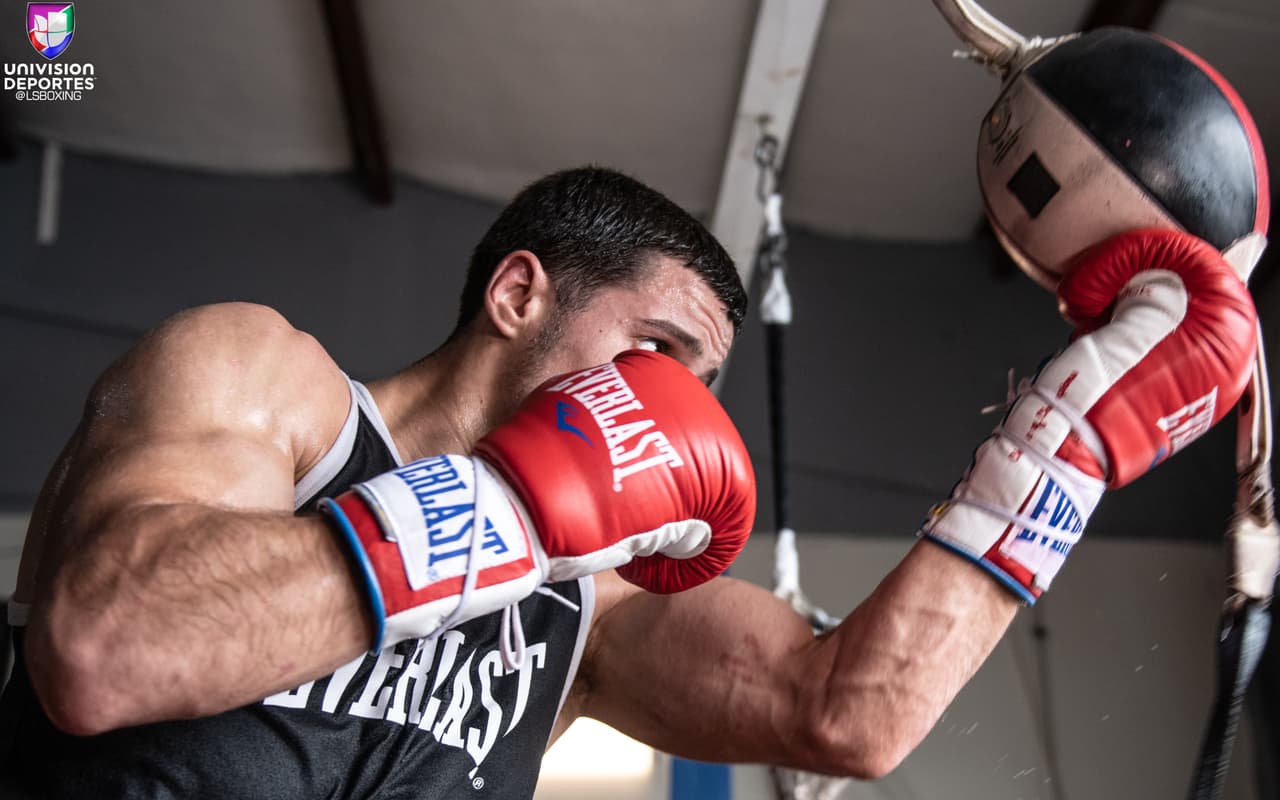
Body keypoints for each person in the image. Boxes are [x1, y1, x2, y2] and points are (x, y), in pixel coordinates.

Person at [0, 167, 1257, 798]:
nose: (675, 413)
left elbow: (849, 709)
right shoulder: (264, 386)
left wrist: (1061, 452)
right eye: (658, 354)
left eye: (701, 386)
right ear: (517, 294)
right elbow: (104, 644)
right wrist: (509, 501)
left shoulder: (582, 606)